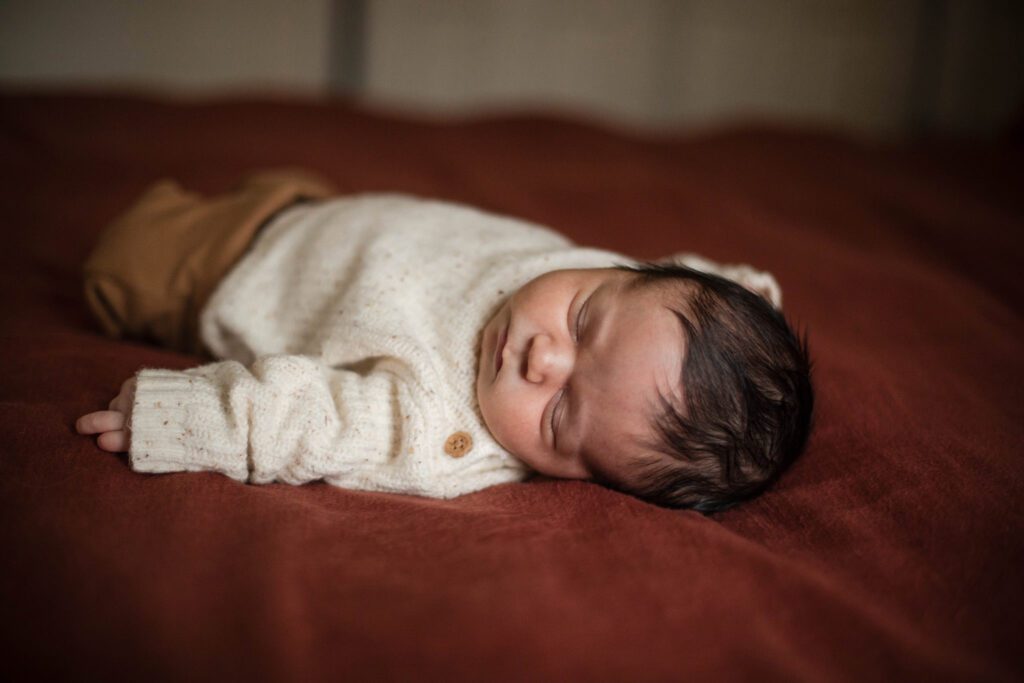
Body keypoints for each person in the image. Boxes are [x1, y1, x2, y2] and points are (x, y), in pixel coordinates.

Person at [75, 171, 813, 512]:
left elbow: (304, 421)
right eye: (584, 320)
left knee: (117, 259)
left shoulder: (440, 428)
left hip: (225, 272)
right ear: (624, 276)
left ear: (579, 479)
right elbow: (697, 288)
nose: (543, 357)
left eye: (559, 418)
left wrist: (186, 420)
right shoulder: (646, 303)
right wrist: (752, 302)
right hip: (324, 208)